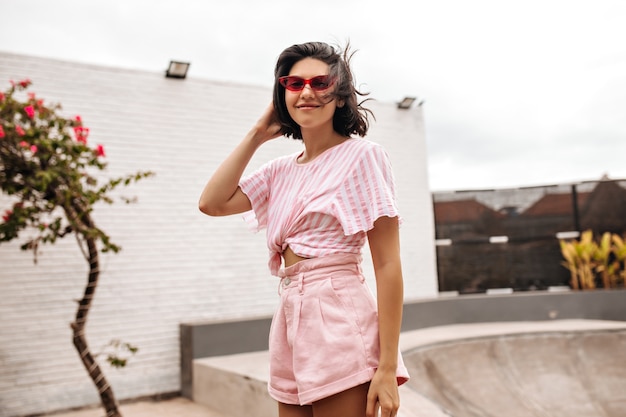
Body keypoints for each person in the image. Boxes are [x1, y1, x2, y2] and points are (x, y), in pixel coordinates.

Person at [199, 41, 409, 417]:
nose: (307, 92)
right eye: (294, 84)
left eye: (320, 82)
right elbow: (211, 203)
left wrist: (387, 369)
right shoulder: (280, 170)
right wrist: (257, 134)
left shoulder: (363, 157)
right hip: (291, 316)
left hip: (339, 315)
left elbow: (388, 266)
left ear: (341, 96)